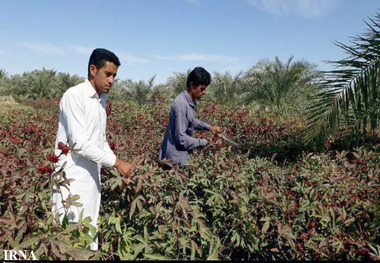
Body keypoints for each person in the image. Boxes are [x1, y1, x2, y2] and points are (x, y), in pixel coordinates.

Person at [51, 48, 133, 251]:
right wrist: (116, 162)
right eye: (108, 74)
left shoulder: (101, 101)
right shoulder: (74, 95)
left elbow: (100, 140)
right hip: (71, 180)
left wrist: (117, 168)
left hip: (90, 178)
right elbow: (79, 145)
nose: (112, 80)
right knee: (68, 240)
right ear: (93, 69)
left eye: (114, 76)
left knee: (86, 236)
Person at [159, 67, 222, 166]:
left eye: (205, 88)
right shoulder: (181, 105)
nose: (204, 92)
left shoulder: (187, 102)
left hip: (181, 157)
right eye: (202, 88)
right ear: (192, 85)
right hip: (175, 162)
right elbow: (182, 140)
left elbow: (191, 120)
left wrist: (210, 128)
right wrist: (205, 142)